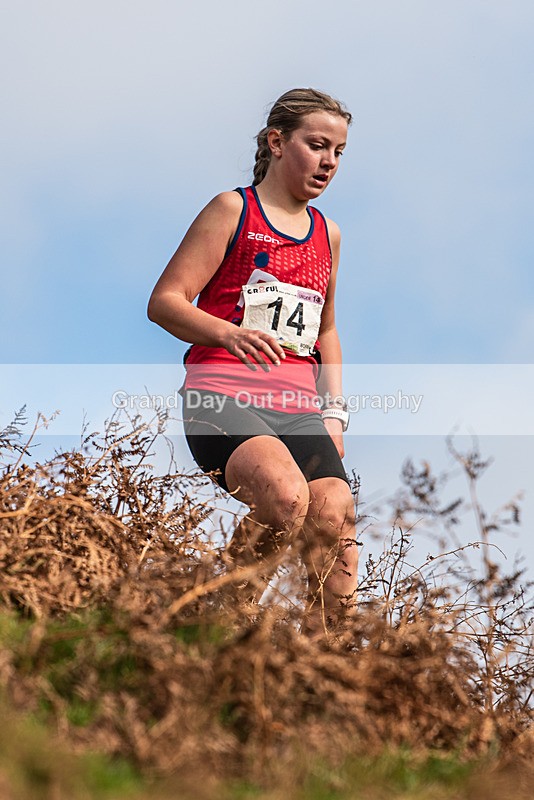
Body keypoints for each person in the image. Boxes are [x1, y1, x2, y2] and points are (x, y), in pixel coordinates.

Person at [148, 88, 357, 635]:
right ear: (276, 141)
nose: (329, 161)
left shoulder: (327, 235)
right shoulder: (231, 210)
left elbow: (326, 331)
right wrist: (228, 333)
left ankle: (334, 662)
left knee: (334, 513)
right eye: (317, 145)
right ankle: (220, 621)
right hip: (222, 396)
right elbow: (164, 302)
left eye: (338, 151)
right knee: (287, 498)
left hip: (298, 407)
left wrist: (334, 413)